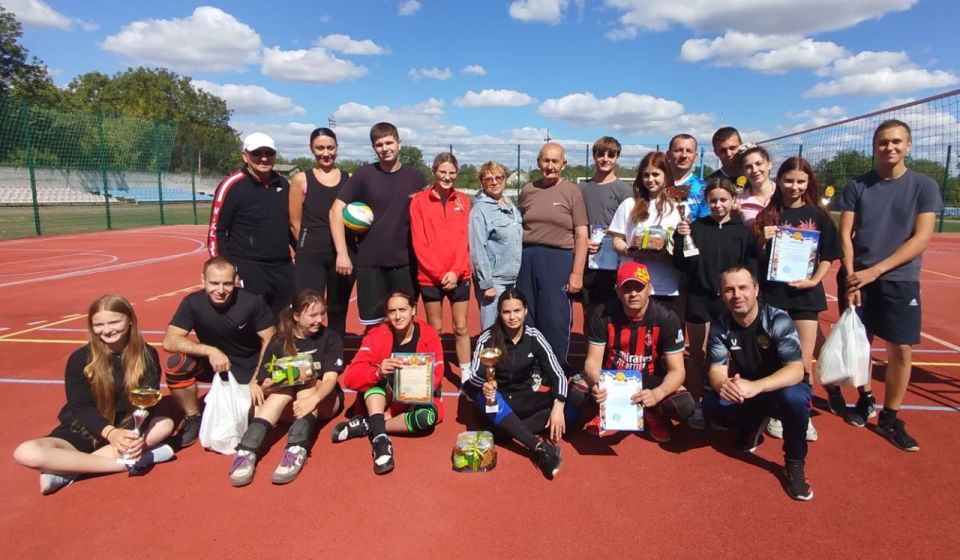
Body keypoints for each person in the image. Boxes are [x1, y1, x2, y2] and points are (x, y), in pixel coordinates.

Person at [834, 119, 941, 451]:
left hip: (898, 279)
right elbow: (845, 235)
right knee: (859, 346)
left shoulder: (924, 186)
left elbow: (921, 237)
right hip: (858, 277)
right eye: (883, 142)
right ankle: (865, 398)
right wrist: (853, 276)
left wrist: (875, 271)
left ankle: (891, 417)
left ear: (908, 145)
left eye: (896, 142)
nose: (889, 148)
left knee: (901, 349)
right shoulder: (858, 185)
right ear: (874, 146)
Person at [13, 295, 175, 495]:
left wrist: (135, 433)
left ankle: (69, 471)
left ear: (130, 319)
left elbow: (146, 403)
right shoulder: (80, 358)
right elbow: (80, 407)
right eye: (99, 325)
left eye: (115, 322)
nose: (107, 330)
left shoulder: (147, 354)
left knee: (165, 423)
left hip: (123, 429)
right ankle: (130, 463)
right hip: (84, 430)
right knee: (25, 452)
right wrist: (110, 433)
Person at [704, 266, 813, 501]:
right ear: (722, 295)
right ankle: (753, 423)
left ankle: (794, 463)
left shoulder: (777, 319)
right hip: (749, 388)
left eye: (743, 288)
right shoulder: (721, 325)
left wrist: (756, 386)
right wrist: (724, 385)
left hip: (782, 387)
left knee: (794, 398)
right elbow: (716, 371)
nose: (737, 295)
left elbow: (796, 370)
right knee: (713, 404)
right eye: (729, 290)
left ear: (756, 289)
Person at [755, 157, 841, 442]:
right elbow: (753, 258)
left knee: (803, 362)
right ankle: (774, 412)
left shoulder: (818, 216)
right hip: (773, 295)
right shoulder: (769, 215)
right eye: (789, 180)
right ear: (779, 181)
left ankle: (801, 416)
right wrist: (762, 240)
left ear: (808, 183)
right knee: (774, 358)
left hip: (805, 295)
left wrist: (815, 280)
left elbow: (829, 255)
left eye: (800, 181)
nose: (794, 186)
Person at [228, 289, 345, 486]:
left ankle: (296, 448)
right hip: (290, 405)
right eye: (313, 315)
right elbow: (264, 383)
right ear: (297, 316)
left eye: (322, 313)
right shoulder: (279, 340)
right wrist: (269, 385)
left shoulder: (330, 338)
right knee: (282, 389)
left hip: (321, 401)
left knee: (308, 382)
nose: (320, 319)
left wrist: (312, 400)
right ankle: (247, 450)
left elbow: (330, 380)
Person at [464, 288, 581, 479]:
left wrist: (558, 406)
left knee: (574, 409)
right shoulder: (488, 338)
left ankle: (504, 429)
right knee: (489, 401)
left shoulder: (535, 337)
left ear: (525, 310)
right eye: (506, 312)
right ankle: (539, 448)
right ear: (500, 314)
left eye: (517, 311)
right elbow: (474, 377)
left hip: (523, 397)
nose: (512, 317)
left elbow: (557, 374)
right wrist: (486, 384)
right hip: (495, 399)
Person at [162, 256, 276, 448]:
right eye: (214, 283)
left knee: (257, 417)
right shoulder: (192, 302)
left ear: (236, 281)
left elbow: (270, 340)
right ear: (203, 280)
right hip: (214, 365)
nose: (221, 290)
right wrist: (210, 351)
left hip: (250, 366)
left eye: (227, 284)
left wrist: (256, 380)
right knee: (177, 364)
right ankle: (193, 417)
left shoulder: (252, 302)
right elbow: (170, 340)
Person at [674, 177, 758, 428]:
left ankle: (720, 403)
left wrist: (748, 297)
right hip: (700, 299)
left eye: (723, 200)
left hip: (730, 303)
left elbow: (750, 268)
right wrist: (681, 241)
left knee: (723, 357)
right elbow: (683, 264)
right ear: (706, 202)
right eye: (713, 200)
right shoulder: (696, 227)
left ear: (733, 201)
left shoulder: (742, 232)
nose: (718, 205)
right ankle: (696, 404)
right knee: (697, 355)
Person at [333, 291, 444, 474]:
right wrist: (377, 371)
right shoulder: (376, 335)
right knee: (374, 384)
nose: (398, 316)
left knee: (426, 418)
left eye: (402, 309)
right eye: (392, 311)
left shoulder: (429, 335)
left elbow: (436, 375)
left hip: (413, 400)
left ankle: (371, 425)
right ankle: (381, 441)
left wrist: (394, 410)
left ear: (413, 310)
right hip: (382, 397)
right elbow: (350, 378)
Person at [582, 262, 695, 442]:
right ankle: (604, 410)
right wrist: (597, 383)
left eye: (639, 287)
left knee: (685, 406)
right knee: (574, 392)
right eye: (627, 288)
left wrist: (658, 393)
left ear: (649, 288)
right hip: (611, 378)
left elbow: (678, 370)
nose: (633, 293)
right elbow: (592, 363)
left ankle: (653, 412)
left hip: (649, 378)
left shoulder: (666, 317)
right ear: (618, 290)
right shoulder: (602, 313)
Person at [329, 122, 426, 328]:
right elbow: (335, 210)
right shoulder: (364, 175)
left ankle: (402, 361)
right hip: (370, 263)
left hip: (405, 264)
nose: (385, 148)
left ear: (400, 143)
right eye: (379, 144)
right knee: (374, 326)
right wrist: (342, 253)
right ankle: (376, 360)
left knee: (404, 323)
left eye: (389, 142)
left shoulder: (416, 178)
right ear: (374, 148)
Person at [517, 142, 588, 368]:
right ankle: (531, 366)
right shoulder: (528, 190)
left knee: (554, 318)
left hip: (558, 259)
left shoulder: (572, 192)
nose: (549, 166)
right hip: (527, 258)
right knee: (527, 315)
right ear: (538, 162)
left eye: (555, 161)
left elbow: (581, 235)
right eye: (545, 160)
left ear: (563, 164)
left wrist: (577, 273)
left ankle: (556, 368)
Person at [208, 132, 294, 316]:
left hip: (283, 268)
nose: (264, 158)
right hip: (249, 269)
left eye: (269, 153)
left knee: (285, 325)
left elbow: (291, 225)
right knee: (251, 324)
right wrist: (225, 271)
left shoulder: (283, 184)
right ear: (245, 155)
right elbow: (217, 230)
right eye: (257, 153)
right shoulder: (232, 185)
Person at [410, 152, 472, 384]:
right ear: (434, 171)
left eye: (452, 172)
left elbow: (464, 239)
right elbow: (419, 241)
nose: (447, 177)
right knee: (434, 329)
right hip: (430, 277)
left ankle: (466, 377)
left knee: (461, 327)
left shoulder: (463, 201)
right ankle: (433, 377)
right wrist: (438, 273)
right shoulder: (419, 201)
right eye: (442, 172)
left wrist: (455, 272)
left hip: (459, 275)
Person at [289, 127, 356, 339]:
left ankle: (334, 355)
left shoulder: (350, 178)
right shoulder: (301, 179)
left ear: (337, 148)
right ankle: (308, 353)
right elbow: (294, 221)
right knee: (308, 308)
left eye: (330, 148)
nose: (325, 153)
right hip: (311, 255)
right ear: (311, 149)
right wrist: (307, 245)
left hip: (343, 255)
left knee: (338, 308)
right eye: (320, 148)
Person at [608, 151, 683, 313]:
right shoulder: (629, 204)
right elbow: (616, 241)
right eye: (646, 175)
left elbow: (681, 245)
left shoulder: (677, 206)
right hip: (632, 286)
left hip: (664, 285)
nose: (650, 179)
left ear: (666, 175)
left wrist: (667, 254)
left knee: (662, 336)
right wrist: (630, 251)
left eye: (656, 174)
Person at [578, 136, 634, 317]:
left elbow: (630, 224)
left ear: (617, 158)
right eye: (601, 154)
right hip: (588, 257)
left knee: (614, 311)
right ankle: (590, 345)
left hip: (614, 260)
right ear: (594, 156)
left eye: (611, 154)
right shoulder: (581, 188)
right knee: (589, 310)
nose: (605, 158)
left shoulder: (624, 190)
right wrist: (584, 241)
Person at [469, 160, 522, 330]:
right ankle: (488, 356)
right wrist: (487, 283)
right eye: (488, 179)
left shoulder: (509, 204)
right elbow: (477, 249)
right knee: (491, 329)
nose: (494, 182)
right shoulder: (480, 210)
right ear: (482, 182)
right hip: (494, 282)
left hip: (513, 279)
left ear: (505, 179)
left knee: (510, 326)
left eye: (499, 177)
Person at [666, 133, 709, 220]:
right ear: (668, 154)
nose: (684, 155)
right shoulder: (656, 185)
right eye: (678, 150)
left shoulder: (704, 189)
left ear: (695, 156)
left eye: (689, 151)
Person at [735, 145, 776, 226]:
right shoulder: (739, 200)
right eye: (748, 167)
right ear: (743, 172)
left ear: (769, 164)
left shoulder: (783, 193)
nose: (754, 170)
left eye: (759, 164)